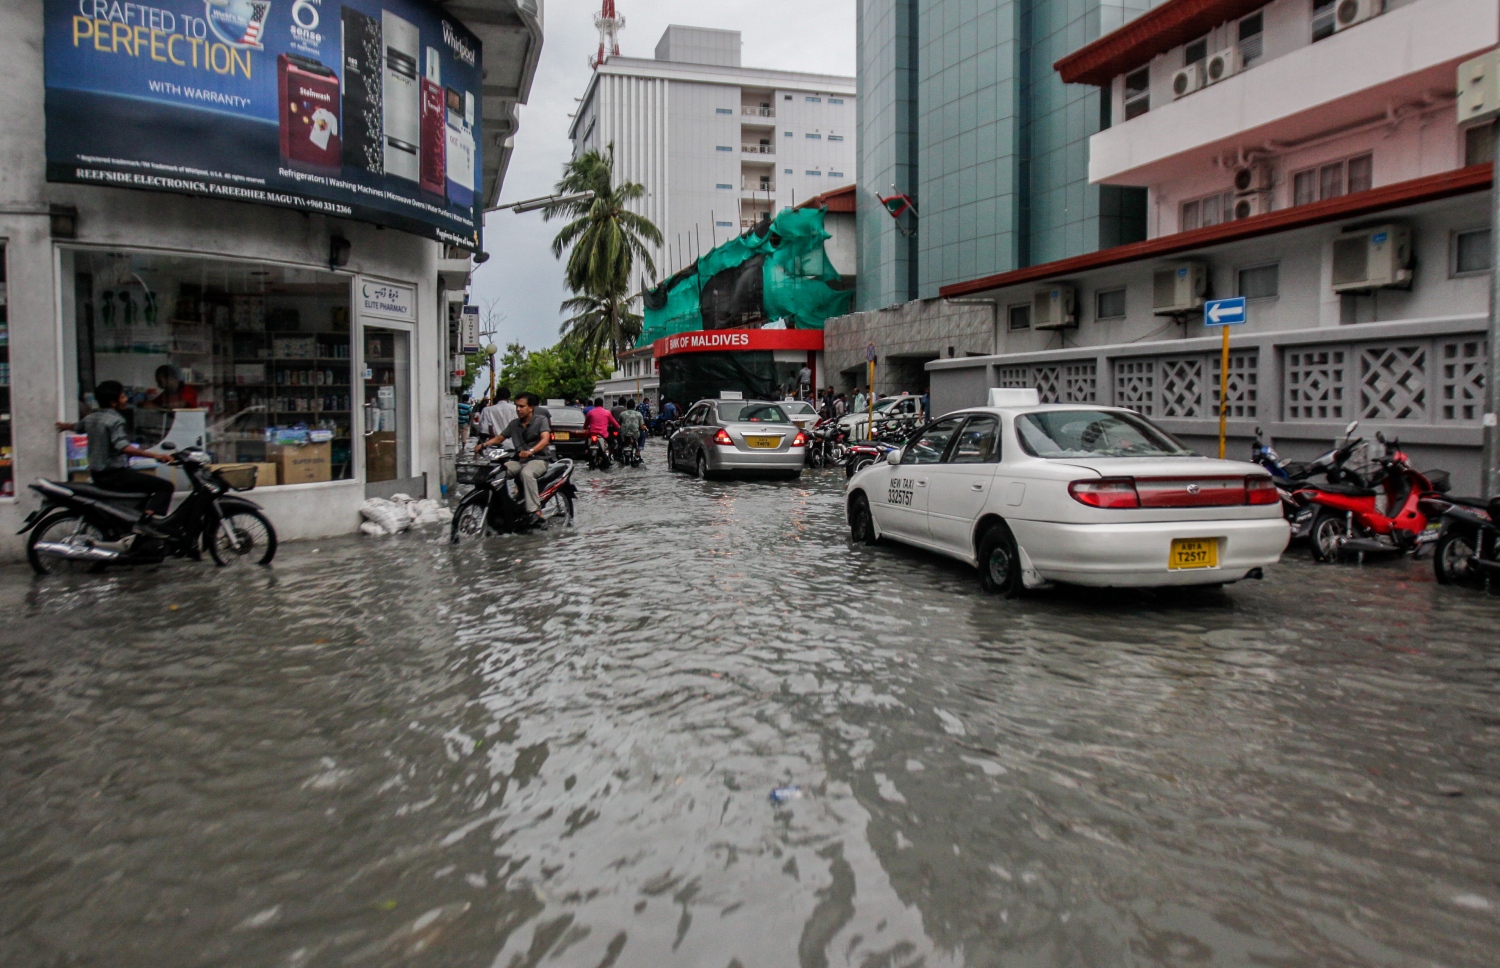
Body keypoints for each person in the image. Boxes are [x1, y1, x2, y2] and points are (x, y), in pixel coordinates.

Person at [59, 380, 176, 532]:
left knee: (146, 487)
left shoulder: (91, 417)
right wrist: (156, 456)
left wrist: (63, 426)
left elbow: (78, 427)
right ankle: (146, 523)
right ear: (113, 402)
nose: (126, 399)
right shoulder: (116, 420)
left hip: (97, 474)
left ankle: (134, 518)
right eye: (122, 397)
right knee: (165, 486)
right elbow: (123, 447)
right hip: (115, 475)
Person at [474, 392, 553, 526]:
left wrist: (531, 451)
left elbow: (545, 440)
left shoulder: (541, 420)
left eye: (522, 406)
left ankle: (536, 511)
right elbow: (500, 438)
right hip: (518, 460)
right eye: (517, 406)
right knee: (497, 473)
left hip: (539, 459)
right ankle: (502, 508)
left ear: (531, 407)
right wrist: (483, 445)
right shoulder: (514, 424)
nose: (518, 409)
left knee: (526, 474)